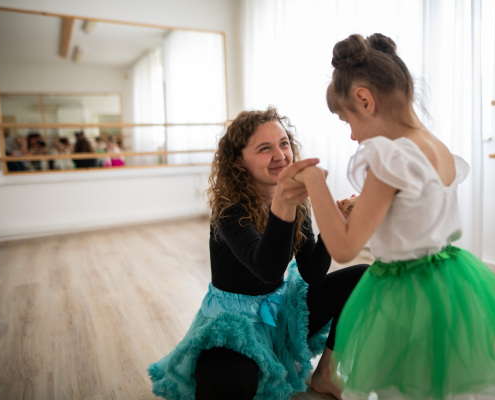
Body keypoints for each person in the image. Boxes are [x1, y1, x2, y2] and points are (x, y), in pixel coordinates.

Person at [293, 33, 495, 400]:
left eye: (347, 121)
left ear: (364, 99)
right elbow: (418, 213)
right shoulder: (435, 147)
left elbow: (343, 248)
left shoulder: (391, 157)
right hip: (446, 284)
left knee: (398, 386)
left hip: (403, 292)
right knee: (436, 384)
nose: (353, 135)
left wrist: (313, 181)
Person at [147, 107, 368, 400]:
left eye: (284, 144)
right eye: (265, 149)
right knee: (231, 386)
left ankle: (326, 373)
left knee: (363, 277)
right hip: (234, 322)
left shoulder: (296, 202)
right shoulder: (229, 210)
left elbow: (313, 274)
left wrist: (333, 226)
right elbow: (267, 269)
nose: (281, 156)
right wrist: (286, 204)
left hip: (281, 310)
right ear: (239, 162)